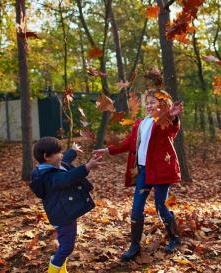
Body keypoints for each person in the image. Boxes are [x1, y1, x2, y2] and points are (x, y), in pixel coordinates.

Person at [93, 89, 184, 261]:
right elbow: (128, 143)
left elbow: (171, 128)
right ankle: (134, 245)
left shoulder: (164, 122)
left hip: (160, 172)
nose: (149, 105)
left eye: (153, 102)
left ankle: (174, 238)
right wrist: (107, 150)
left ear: (163, 104)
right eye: (147, 103)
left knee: (160, 206)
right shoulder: (141, 123)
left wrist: (172, 116)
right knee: (136, 209)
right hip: (143, 171)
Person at [29, 137, 103, 273]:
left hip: (64, 211)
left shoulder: (51, 166)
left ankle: (61, 270)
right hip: (62, 216)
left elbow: (65, 160)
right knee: (67, 247)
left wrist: (73, 151)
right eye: (58, 153)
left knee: (65, 245)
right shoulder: (49, 177)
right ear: (47, 157)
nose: (61, 155)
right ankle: (53, 269)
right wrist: (87, 167)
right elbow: (66, 178)